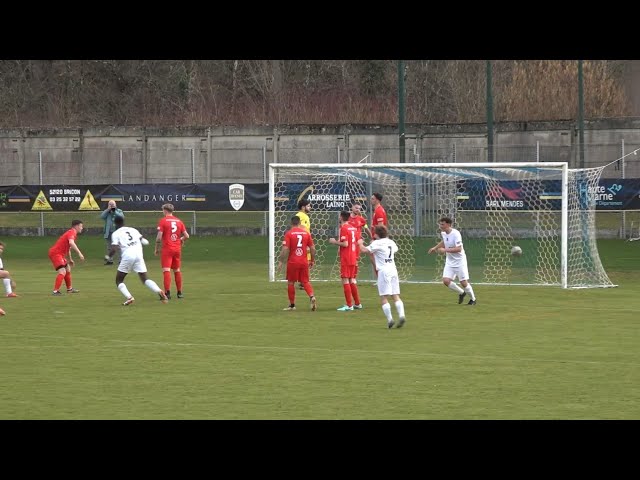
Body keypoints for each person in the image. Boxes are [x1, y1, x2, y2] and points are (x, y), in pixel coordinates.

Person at [109, 216, 168, 306]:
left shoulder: (116, 234)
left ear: (115, 224)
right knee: (144, 278)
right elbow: (144, 241)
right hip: (138, 255)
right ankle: (159, 291)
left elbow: (114, 249)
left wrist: (107, 256)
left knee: (119, 280)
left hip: (128, 256)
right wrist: (143, 241)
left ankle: (129, 297)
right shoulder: (133, 230)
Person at [359, 224, 406, 328]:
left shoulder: (377, 243)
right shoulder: (391, 242)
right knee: (395, 295)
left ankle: (390, 320)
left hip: (384, 271)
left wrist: (360, 243)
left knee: (384, 297)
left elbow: (364, 250)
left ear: (375, 234)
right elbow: (395, 249)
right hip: (393, 269)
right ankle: (402, 315)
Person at [428, 216, 477, 305]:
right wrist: (435, 248)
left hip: (460, 261)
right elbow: (444, 241)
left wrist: (445, 250)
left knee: (463, 282)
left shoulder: (456, 234)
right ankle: (462, 293)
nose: (440, 226)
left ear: (448, 224)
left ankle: (473, 299)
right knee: (446, 281)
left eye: (442, 224)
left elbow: (459, 249)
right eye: (440, 224)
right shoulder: (443, 233)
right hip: (450, 261)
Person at [277, 215, 317, 311]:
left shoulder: (289, 234)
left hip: (293, 262)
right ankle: (312, 297)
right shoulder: (306, 233)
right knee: (305, 281)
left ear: (291, 223)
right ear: (299, 223)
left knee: (291, 282)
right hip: (303, 261)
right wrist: (312, 260)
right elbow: (313, 248)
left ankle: (292, 305)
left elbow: (285, 249)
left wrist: (281, 261)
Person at [155, 203, 190, 300]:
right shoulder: (179, 221)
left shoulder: (163, 221)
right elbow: (187, 236)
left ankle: (167, 293)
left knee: (166, 270)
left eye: (163, 210)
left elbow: (159, 238)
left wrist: (157, 249)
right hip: (177, 249)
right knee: (177, 270)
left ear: (165, 210)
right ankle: (179, 293)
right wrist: (180, 239)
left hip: (167, 249)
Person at [329, 210, 363, 311]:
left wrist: (334, 242)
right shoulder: (353, 228)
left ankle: (349, 305)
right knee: (352, 279)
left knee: (345, 279)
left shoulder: (343, 228)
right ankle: (357, 303)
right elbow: (360, 241)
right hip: (353, 256)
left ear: (341, 217)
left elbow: (345, 244)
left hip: (346, 257)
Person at [48, 220, 85, 296]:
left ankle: (69, 289)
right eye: (81, 226)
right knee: (62, 271)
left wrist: (70, 259)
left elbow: (68, 249)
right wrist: (79, 253)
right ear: (76, 226)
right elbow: (71, 243)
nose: (82, 228)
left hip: (60, 254)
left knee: (68, 268)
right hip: (56, 253)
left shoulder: (72, 233)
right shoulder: (72, 232)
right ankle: (55, 291)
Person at [295, 198, 312, 290]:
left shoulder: (303, 215)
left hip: (302, 241)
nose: (310, 208)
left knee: (306, 261)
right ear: (303, 207)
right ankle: (303, 281)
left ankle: (302, 282)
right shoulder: (302, 215)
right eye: (308, 206)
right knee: (305, 261)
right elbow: (302, 228)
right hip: (303, 242)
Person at [101, 200, 125, 265]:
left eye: (113, 204)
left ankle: (121, 260)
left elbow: (122, 217)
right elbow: (102, 216)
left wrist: (114, 210)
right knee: (109, 247)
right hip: (109, 232)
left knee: (119, 246)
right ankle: (110, 260)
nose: (111, 206)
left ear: (115, 205)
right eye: (110, 204)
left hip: (117, 232)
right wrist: (107, 210)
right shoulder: (107, 212)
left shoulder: (119, 211)